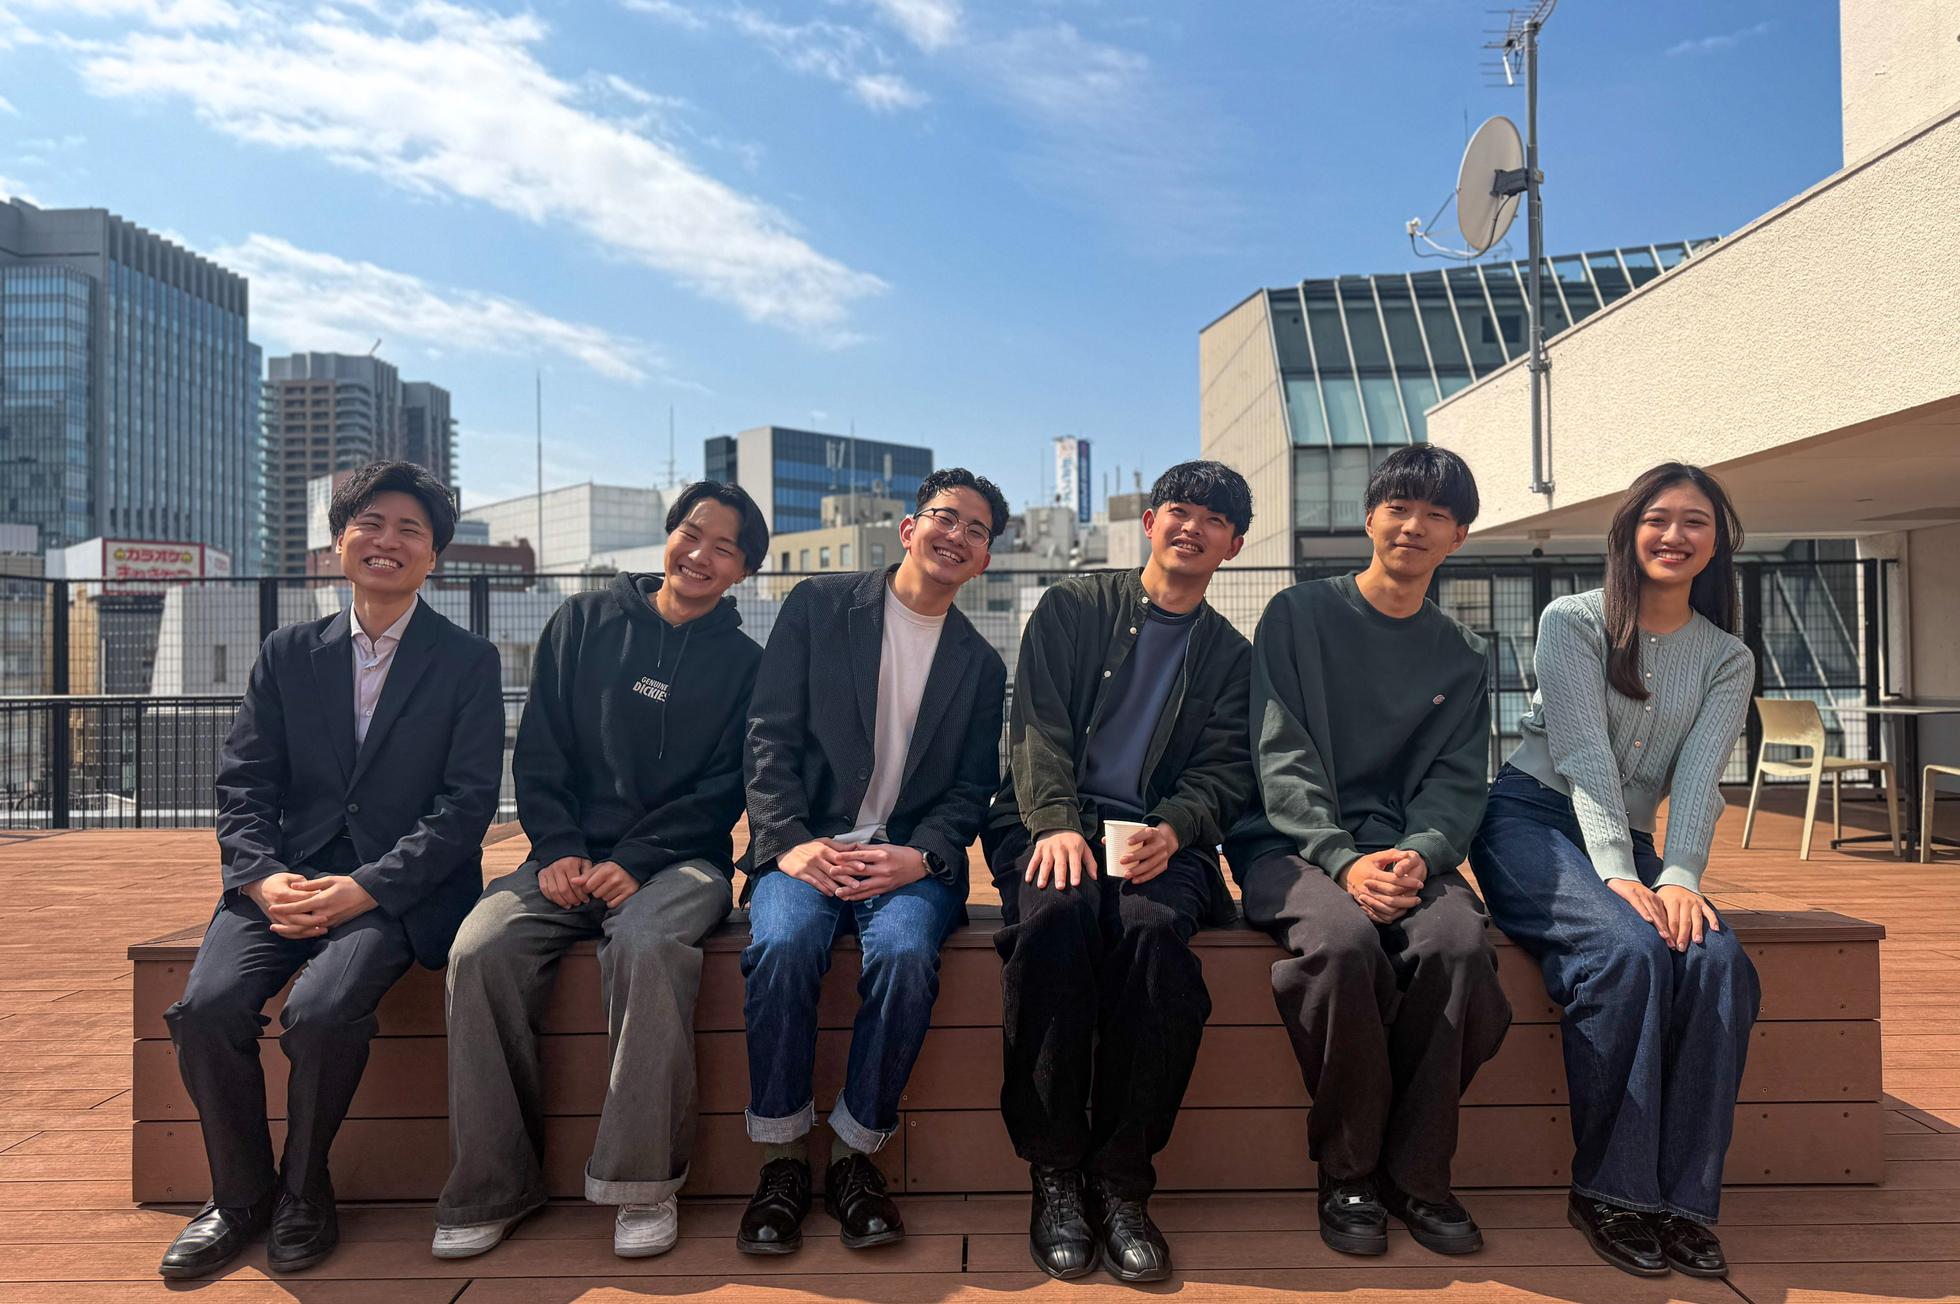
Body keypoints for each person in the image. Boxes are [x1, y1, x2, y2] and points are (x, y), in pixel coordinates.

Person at [159, 462, 502, 1280]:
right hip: (285, 877)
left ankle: (304, 1190)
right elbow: (245, 783)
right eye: (370, 524)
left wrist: (368, 886)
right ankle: (238, 1196)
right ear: (339, 541)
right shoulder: (288, 653)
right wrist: (259, 877)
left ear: (433, 556)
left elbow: (466, 806)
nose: (388, 541)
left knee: (319, 1012)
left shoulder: (467, 660)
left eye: (410, 530)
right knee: (205, 1009)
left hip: (396, 890)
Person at [434, 482, 770, 1260]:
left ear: (743, 572)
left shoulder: (747, 665)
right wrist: (557, 847)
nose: (701, 555)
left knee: (647, 946)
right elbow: (541, 749)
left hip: (681, 864)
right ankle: (491, 1187)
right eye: (692, 534)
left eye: (724, 549)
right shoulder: (582, 622)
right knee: (479, 950)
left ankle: (641, 1183)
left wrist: (636, 861)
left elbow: (725, 789)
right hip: (563, 856)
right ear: (670, 535)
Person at [1470, 462, 1759, 1280]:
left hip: (1631, 846)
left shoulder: (1727, 657)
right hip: (1528, 820)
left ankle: (1685, 1203)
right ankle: (1612, 1193)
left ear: (1718, 542)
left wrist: (1680, 876)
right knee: (1626, 949)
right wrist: (1616, 874)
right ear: (1629, 532)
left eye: (1695, 521)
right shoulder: (1573, 620)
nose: (1675, 535)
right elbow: (1583, 755)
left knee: (1717, 962)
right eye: (1658, 518)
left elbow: (1700, 780)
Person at [1226, 445, 1512, 1258]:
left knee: (1457, 947)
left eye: (1435, 515)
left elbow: (1458, 779)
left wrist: (1421, 851)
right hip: (1289, 844)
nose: (1413, 526)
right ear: (1369, 519)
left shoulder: (1463, 652)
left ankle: (1417, 1174)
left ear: (1459, 536)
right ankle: (1348, 1171)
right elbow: (1280, 755)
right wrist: (1342, 858)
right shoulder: (1297, 615)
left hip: (1408, 854)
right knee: (1344, 945)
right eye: (1398, 508)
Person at [985, 460, 1256, 1285]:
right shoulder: (1074, 606)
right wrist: (1056, 823)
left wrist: (1175, 827)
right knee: (1056, 918)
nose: (1192, 527)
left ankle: (1123, 1181)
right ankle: (1056, 1172)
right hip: (1049, 815)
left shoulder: (1231, 655)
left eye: (1214, 520)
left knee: (1153, 936)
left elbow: (1225, 772)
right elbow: (1036, 726)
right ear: (1149, 522)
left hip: (1159, 839)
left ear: (1234, 546)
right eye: (1179, 509)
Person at [736, 469, 1008, 1256]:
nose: (957, 536)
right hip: (809, 842)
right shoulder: (819, 607)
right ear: (909, 528)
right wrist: (789, 840)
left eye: (977, 530)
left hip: (907, 858)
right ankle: (783, 1157)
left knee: (906, 954)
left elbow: (972, 787)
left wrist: (921, 856)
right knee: (783, 943)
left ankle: (856, 1154)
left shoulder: (981, 664)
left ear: (986, 558)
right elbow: (768, 735)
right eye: (946, 518)